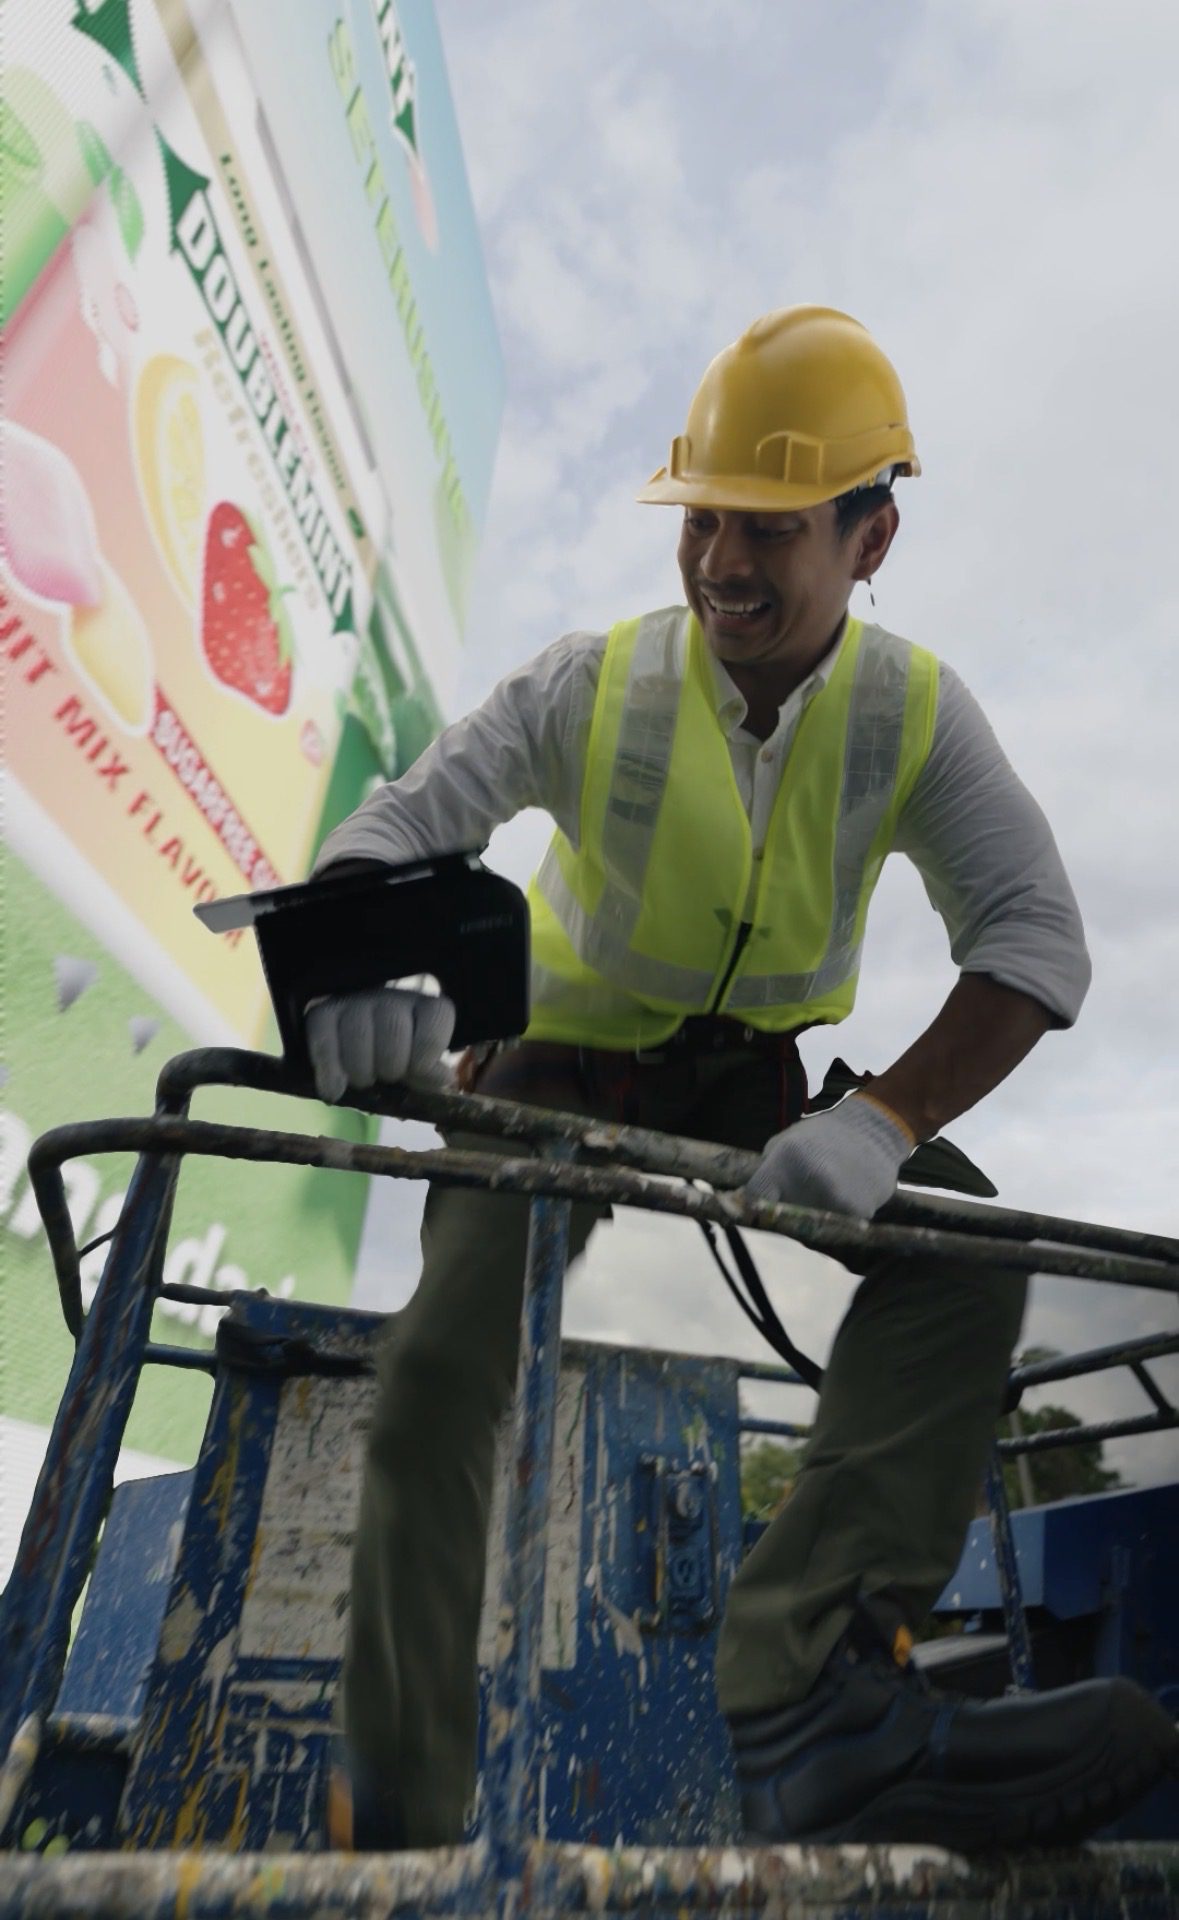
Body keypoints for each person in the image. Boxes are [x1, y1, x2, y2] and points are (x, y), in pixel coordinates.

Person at [309, 307, 1178, 1852]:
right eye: (701, 516)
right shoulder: (587, 686)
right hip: (558, 1076)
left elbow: (1038, 942)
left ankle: (812, 1699)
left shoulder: (913, 713)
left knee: (972, 1253)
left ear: (873, 539)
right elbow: (397, 830)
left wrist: (887, 1116)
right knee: (443, 1362)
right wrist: (362, 957)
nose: (721, 561)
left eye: (770, 528)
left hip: (760, 1085)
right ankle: (400, 1810)